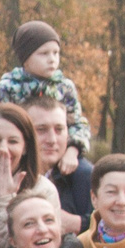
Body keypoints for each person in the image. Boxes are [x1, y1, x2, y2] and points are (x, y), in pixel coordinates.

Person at [0, 20, 92, 157]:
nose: (52, 59)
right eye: (44, 54)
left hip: (60, 153)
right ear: (25, 59)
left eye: (56, 53)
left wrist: (73, 150)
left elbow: (77, 123)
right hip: (20, 155)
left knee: (85, 174)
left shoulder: (64, 87)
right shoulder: (7, 88)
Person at [0, 103, 60, 248]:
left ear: (25, 147)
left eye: (13, 141)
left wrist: (2, 201)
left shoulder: (43, 190)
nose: (3, 149)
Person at [25, 97, 91, 232]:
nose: (52, 140)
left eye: (59, 129)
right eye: (41, 130)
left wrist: (80, 224)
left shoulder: (85, 177)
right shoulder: (8, 177)